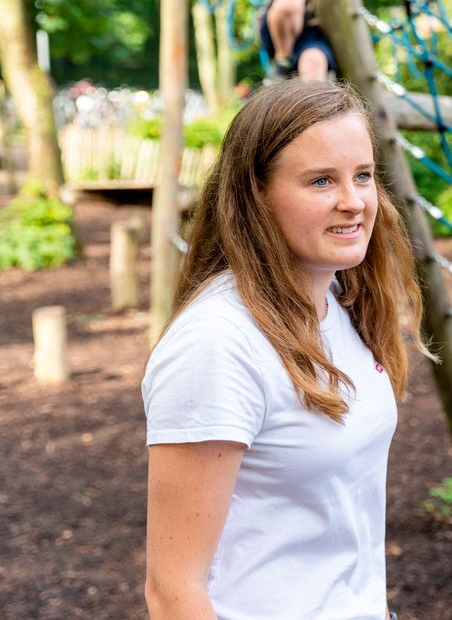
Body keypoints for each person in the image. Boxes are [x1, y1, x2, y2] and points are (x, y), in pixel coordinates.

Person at [143, 80, 421, 619]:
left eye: (363, 176)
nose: (354, 201)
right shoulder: (218, 345)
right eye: (321, 181)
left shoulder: (339, 300)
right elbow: (173, 591)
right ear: (256, 195)